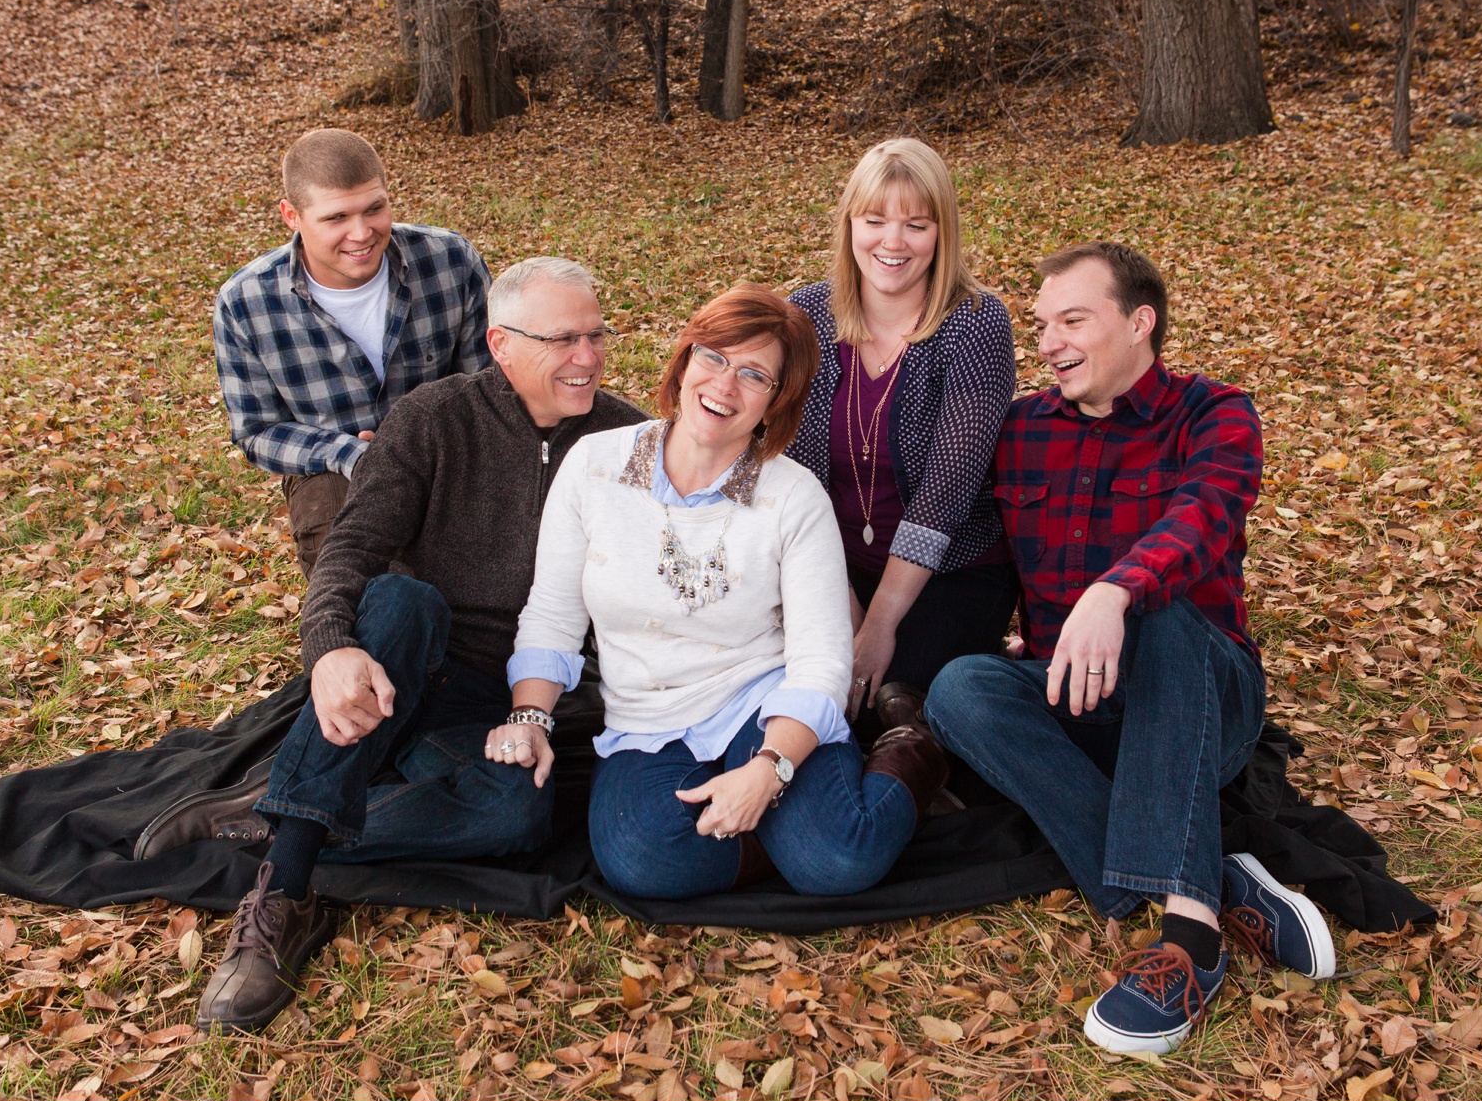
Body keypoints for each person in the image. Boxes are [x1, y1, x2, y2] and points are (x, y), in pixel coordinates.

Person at [153, 257, 645, 1033]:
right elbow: (351, 549)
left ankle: (287, 811)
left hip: (516, 698)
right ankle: (283, 895)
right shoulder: (433, 418)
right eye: (562, 340)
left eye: (596, 335)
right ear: (501, 344)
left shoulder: (628, 439)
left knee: (519, 817)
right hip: (411, 660)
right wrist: (328, 651)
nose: (586, 357)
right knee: (401, 599)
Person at [925, 242, 1336, 1057]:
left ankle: (1189, 937)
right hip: (1075, 695)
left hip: (1202, 692)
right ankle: (1216, 875)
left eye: (1072, 320)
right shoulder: (1020, 429)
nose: (1047, 344)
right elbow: (976, 547)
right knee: (958, 688)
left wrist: (1114, 592)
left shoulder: (1216, 413)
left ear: (1139, 323)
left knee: (1163, 614)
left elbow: (1203, 521)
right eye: (1042, 326)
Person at [493, 284, 951, 899]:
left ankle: (910, 744)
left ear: (779, 400)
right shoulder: (593, 466)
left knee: (840, 861)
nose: (724, 386)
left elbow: (820, 661)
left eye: (754, 375)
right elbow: (552, 615)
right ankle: (781, 837)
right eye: (713, 357)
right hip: (647, 719)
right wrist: (530, 716)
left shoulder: (794, 497)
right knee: (640, 861)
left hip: (760, 702)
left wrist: (769, 769)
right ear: (684, 361)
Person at [784, 138, 1019, 746]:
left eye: (916, 224)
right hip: (825, 561)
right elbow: (788, 475)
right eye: (875, 220)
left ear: (942, 232)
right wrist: (842, 608)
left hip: (951, 569)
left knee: (887, 706)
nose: (893, 242)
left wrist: (880, 621)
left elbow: (949, 489)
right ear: (849, 225)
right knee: (811, 697)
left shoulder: (974, 322)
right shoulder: (806, 315)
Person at [213, 127, 493, 579]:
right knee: (374, 598)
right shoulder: (246, 302)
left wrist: (434, 451)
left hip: (449, 453)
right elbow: (256, 431)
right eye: (336, 218)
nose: (361, 233)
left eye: (374, 209)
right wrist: (348, 453)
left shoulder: (450, 260)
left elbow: (490, 386)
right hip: (331, 470)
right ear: (291, 215)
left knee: (490, 582)